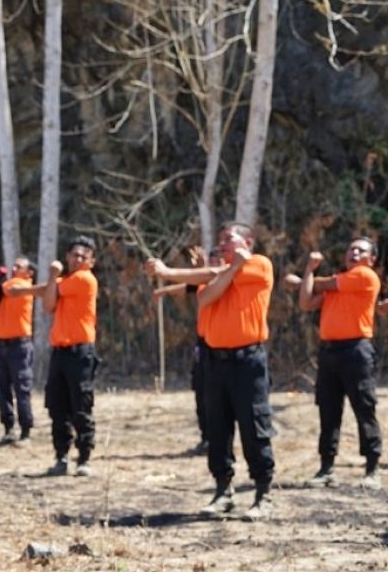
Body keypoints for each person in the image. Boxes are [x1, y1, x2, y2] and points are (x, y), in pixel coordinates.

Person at [145, 221, 276, 520]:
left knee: (253, 426)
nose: (224, 244)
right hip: (215, 362)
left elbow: (211, 275)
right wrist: (169, 275)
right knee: (217, 428)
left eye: (229, 238)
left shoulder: (260, 264)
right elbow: (204, 296)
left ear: (249, 242)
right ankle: (222, 490)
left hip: (248, 361)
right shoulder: (223, 272)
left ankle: (263, 493)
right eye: (221, 240)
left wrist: (169, 272)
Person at [296, 238, 382, 489]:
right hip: (330, 352)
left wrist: (305, 279)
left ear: (371, 259)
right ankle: (326, 468)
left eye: (361, 250)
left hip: (356, 351)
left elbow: (318, 285)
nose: (354, 253)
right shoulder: (338, 284)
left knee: (364, 408)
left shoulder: (365, 276)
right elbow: (305, 303)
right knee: (328, 410)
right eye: (351, 249)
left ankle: (372, 469)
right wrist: (309, 274)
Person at [152, 247, 224, 454]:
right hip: (203, 344)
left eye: (217, 260)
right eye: (212, 260)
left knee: (217, 396)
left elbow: (210, 280)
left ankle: (218, 439)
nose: (214, 263)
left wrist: (203, 269)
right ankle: (206, 438)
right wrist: (164, 291)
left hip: (220, 345)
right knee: (201, 392)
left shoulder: (226, 282)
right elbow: (188, 287)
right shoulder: (202, 281)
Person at [42, 236, 100, 477]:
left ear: (91, 262)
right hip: (60, 352)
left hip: (80, 352)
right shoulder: (64, 281)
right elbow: (48, 305)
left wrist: (51, 277)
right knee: (57, 406)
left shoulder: (84, 279)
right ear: (67, 256)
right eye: (74, 255)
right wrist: (53, 280)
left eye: (83, 257)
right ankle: (61, 456)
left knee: (81, 405)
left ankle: (84, 457)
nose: (77, 260)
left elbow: (48, 294)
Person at [0, 256, 43, 444]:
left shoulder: (21, 285)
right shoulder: (8, 286)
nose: (13, 268)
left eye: (19, 266)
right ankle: (8, 428)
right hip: (3, 344)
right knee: (2, 388)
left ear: (29, 273)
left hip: (20, 346)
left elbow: (4, 288)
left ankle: (26, 430)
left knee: (22, 388)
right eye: (14, 265)